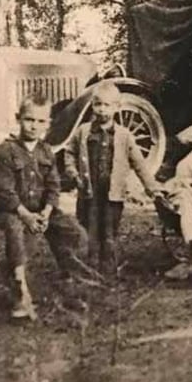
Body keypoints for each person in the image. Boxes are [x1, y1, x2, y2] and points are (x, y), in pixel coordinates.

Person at [0, 96, 87, 320]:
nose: (34, 126)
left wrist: (46, 212)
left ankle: (70, 278)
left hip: (40, 211)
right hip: (11, 211)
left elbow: (54, 186)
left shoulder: (46, 151)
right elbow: (5, 192)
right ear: (18, 119)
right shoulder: (6, 150)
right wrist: (26, 216)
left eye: (41, 121)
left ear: (48, 124)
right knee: (16, 234)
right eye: (29, 119)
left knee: (73, 231)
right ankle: (19, 292)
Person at [63, 81, 162, 277]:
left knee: (108, 231)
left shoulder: (124, 136)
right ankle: (90, 266)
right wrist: (72, 172)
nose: (102, 110)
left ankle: (108, 269)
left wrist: (152, 188)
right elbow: (69, 152)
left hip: (112, 195)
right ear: (92, 106)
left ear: (117, 107)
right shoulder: (83, 131)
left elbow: (139, 164)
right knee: (89, 229)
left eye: (107, 105)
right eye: (98, 104)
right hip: (88, 192)